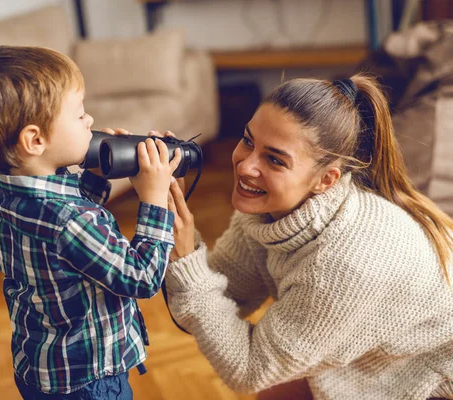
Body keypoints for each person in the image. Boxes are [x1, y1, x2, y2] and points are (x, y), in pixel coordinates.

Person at [164, 73, 453, 400]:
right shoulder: (264, 212)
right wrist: (164, 215)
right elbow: (209, 302)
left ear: (326, 180)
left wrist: (186, 258)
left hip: (428, 377)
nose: (245, 166)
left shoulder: (342, 263)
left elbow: (248, 371)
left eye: (274, 159)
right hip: (371, 356)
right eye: (248, 140)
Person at [0, 45, 182, 399]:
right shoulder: (72, 220)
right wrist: (153, 198)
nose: (89, 121)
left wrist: (98, 176)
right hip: (90, 381)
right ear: (35, 140)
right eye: (79, 114)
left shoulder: (12, 200)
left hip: (39, 369)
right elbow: (142, 278)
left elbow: (68, 249)